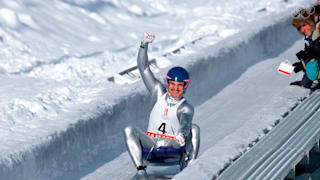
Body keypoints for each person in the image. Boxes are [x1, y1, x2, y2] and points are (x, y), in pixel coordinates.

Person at [123, 33, 200, 179]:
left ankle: (191, 167)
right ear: (167, 83)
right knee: (129, 129)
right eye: (173, 85)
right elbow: (143, 68)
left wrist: (182, 135)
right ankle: (141, 171)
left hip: (174, 146)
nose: (175, 89)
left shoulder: (186, 107)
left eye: (180, 86)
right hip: (151, 146)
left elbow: (186, 122)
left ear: (185, 87)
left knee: (194, 129)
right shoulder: (158, 92)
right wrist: (143, 45)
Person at [290, 5, 320, 89]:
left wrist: (311, 55)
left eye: (303, 26)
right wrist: (302, 63)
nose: (302, 30)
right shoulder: (314, 38)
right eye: (299, 28)